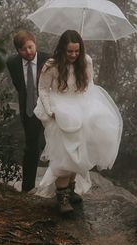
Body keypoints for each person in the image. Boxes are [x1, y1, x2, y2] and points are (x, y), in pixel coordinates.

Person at [33, 29, 122, 215]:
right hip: (59, 107)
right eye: (69, 51)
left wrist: (88, 109)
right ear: (61, 50)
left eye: (76, 51)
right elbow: (43, 89)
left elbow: (89, 86)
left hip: (79, 104)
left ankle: (71, 188)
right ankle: (62, 197)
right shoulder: (51, 65)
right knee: (65, 152)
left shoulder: (86, 61)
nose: (73, 55)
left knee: (80, 149)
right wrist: (51, 110)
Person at [6, 30, 50, 192]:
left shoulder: (48, 59)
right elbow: (20, 87)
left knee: (54, 145)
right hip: (29, 109)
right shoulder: (12, 63)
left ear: (35, 44)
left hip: (49, 109)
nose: (29, 52)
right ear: (17, 50)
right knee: (31, 146)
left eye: (31, 47)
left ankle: (59, 187)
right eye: (23, 49)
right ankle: (27, 187)